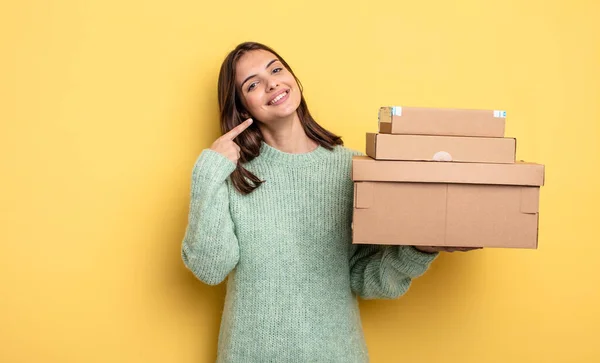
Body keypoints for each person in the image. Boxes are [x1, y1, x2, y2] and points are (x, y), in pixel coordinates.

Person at [181, 41, 479, 363]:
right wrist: (208, 172)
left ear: (293, 79)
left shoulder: (353, 170)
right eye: (252, 84)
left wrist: (420, 249)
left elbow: (364, 278)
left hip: (336, 354)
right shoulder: (233, 175)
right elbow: (210, 269)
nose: (271, 84)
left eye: (276, 69)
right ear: (242, 107)